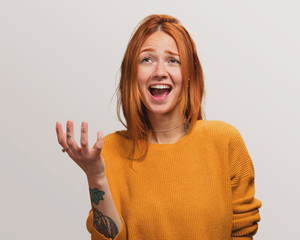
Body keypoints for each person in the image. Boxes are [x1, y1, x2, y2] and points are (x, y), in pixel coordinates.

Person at [56, 14, 262, 240]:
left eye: (173, 60)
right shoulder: (108, 152)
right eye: (147, 59)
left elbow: (243, 233)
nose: (160, 71)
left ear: (190, 74)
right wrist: (96, 177)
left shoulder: (224, 141)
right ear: (132, 75)